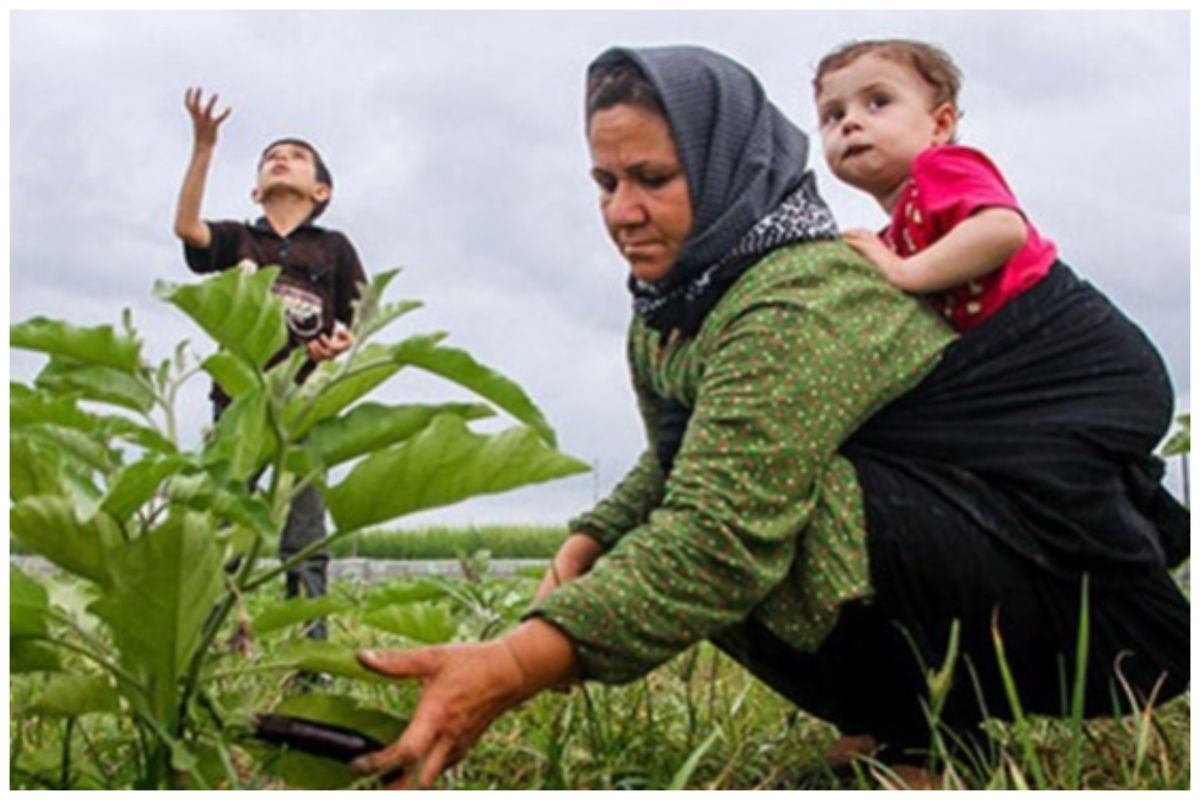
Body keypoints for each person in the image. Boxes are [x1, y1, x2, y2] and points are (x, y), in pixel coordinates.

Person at [349, 46, 1188, 789]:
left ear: (724, 168)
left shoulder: (797, 294)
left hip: (1072, 598)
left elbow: (719, 529)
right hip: (960, 542)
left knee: (769, 520)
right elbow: (680, 456)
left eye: (652, 179)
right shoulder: (675, 306)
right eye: (606, 182)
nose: (622, 212)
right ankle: (919, 733)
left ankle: (924, 740)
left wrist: (514, 664)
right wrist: (585, 544)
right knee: (700, 517)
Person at [173, 88, 368, 641]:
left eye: (297, 156)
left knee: (303, 539)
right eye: (271, 156)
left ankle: (309, 664)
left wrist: (339, 344)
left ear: (321, 189)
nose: (282, 157)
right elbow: (187, 230)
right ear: (256, 188)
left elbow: (360, 313)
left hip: (304, 411)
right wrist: (204, 146)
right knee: (218, 531)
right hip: (237, 408)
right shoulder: (239, 238)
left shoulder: (332, 247)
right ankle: (204, 647)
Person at [813, 39, 1055, 332]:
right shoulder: (892, 241)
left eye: (878, 102)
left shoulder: (940, 167)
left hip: (1059, 324)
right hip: (1011, 347)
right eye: (833, 115)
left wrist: (904, 271)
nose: (850, 122)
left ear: (940, 125)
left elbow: (1003, 229)